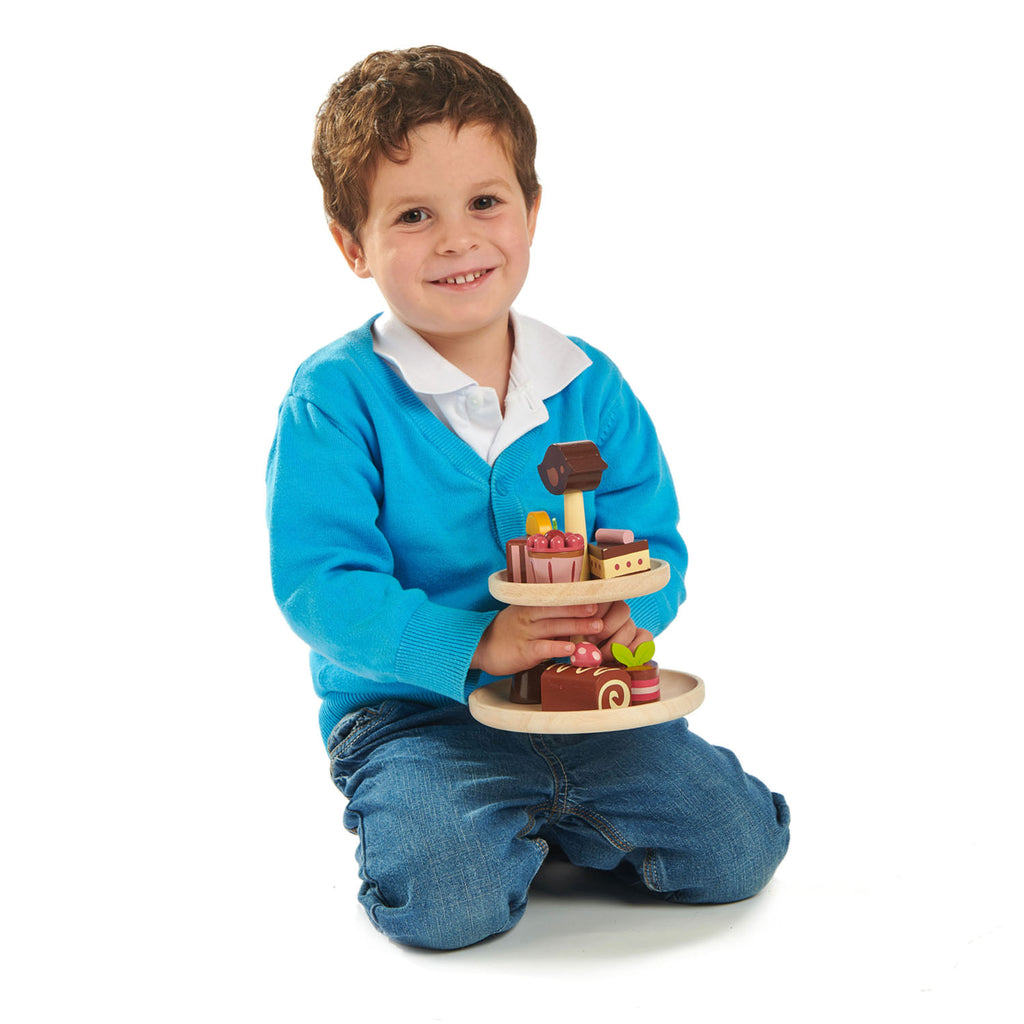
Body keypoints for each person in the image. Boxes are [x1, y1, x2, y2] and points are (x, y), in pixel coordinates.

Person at [266, 45, 790, 950]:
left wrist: (635, 609)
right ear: (354, 244)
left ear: (531, 210)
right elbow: (322, 584)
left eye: (484, 202)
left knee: (736, 853)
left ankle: (553, 814)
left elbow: (657, 544)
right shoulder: (335, 399)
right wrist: (478, 642)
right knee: (449, 906)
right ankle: (482, 824)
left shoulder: (586, 383)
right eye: (414, 215)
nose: (458, 239)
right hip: (419, 715)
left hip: (583, 698)